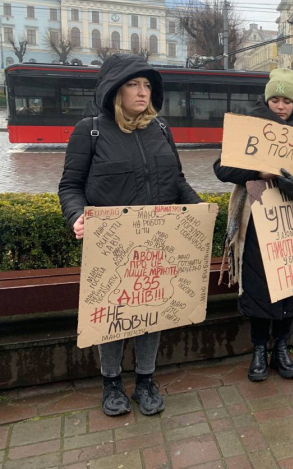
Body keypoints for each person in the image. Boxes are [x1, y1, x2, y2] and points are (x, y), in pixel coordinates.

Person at [58, 54, 202, 417]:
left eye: (148, 85)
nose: (143, 92)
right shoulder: (89, 130)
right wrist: (77, 215)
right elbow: (70, 186)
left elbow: (177, 181)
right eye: (133, 85)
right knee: (113, 316)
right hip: (112, 246)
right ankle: (110, 383)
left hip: (158, 242)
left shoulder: (162, 130)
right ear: (114, 90)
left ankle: (145, 381)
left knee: (151, 310)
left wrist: (199, 210)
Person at [214, 69, 293, 381]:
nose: (279, 105)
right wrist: (258, 173)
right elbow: (221, 167)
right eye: (274, 99)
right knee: (261, 287)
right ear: (266, 100)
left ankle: (282, 348)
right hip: (257, 225)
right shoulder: (248, 129)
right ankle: (259, 350)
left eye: (286, 100)